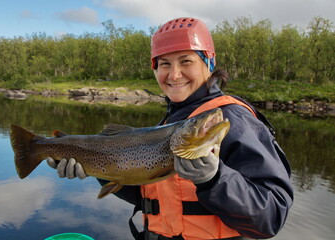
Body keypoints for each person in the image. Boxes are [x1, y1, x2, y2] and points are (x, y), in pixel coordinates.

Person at [47, 17, 293, 240]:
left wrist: (214, 179)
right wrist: (96, 169)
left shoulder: (230, 119)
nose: (174, 75)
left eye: (186, 61)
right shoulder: (171, 123)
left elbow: (271, 217)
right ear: (155, 68)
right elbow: (146, 195)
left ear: (209, 62)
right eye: (164, 64)